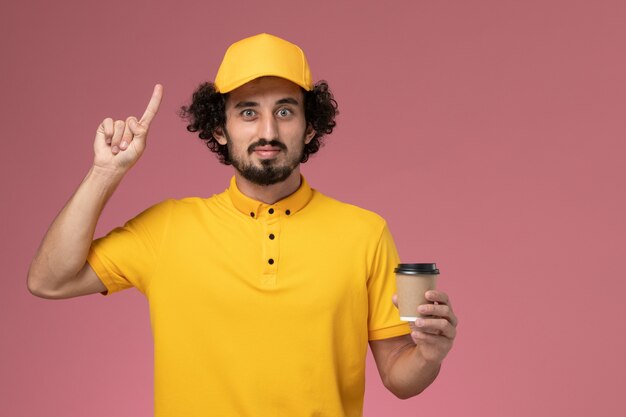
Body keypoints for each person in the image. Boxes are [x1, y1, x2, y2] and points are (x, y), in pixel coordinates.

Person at [27, 33, 458, 417]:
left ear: (310, 127)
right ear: (219, 127)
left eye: (286, 111)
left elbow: (399, 377)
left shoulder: (365, 233)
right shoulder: (167, 229)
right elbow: (49, 280)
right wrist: (105, 173)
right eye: (248, 112)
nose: (267, 131)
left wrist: (429, 355)